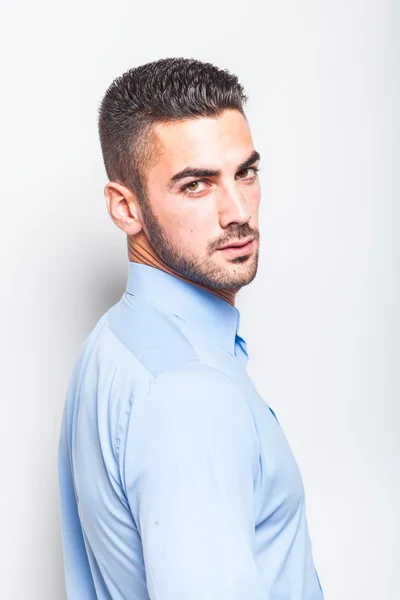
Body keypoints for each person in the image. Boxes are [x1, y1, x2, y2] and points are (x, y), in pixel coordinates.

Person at [58, 57, 324, 600]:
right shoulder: (187, 389)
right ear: (125, 208)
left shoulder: (117, 342)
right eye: (196, 185)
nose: (237, 211)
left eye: (245, 172)